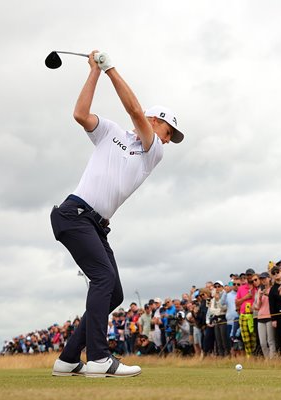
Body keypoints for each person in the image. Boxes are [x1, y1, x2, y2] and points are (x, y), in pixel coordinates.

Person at [50, 50, 184, 378]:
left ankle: (68, 360)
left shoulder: (153, 152)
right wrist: (98, 71)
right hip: (74, 214)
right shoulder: (110, 132)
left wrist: (108, 68)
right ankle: (98, 357)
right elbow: (81, 114)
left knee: (115, 292)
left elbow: (135, 111)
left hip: (95, 225)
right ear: (157, 121)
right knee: (103, 278)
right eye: (169, 132)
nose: (169, 140)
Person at [236, 269, 257, 357]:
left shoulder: (257, 287)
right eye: (248, 275)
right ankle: (249, 356)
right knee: (246, 338)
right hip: (244, 315)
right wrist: (246, 297)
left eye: (251, 275)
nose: (249, 277)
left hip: (254, 315)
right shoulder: (241, 288)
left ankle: (255, 355)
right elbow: (237, 303)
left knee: (254, 337)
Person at [254, 272, 276, 359]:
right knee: (262, 342)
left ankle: (272, 360)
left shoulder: (272, 289)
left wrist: (267, 295)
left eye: (265, 278)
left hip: (269, 316)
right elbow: (258, 306)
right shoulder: (260, 290)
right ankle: (267, 359)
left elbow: (274, 302)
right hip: (260, 317)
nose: (263, 280)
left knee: (270, 340)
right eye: (262, 279)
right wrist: (259, 296)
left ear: (269, 278)